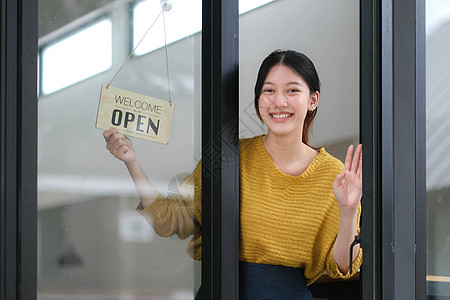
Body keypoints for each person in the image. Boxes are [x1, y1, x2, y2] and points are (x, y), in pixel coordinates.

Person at [103, 49, 363, 300]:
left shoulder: (335, 176)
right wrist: (131, 161)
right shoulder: (228, 157)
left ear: (313, 100)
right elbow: (168, 220)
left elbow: (342, 267)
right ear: (258, 99)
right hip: (221, 291)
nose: (279, 101)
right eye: (268, 90)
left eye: (292, 90)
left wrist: (349, 209)